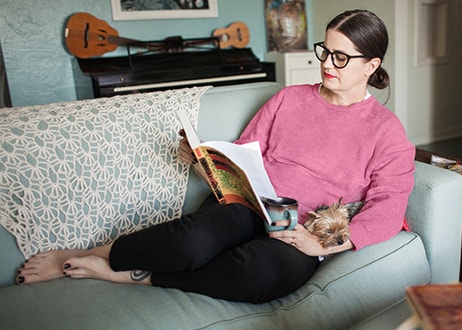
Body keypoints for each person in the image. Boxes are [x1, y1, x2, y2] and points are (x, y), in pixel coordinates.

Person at [16, 9, 415, 304]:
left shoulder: (386, 132)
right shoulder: (289, 99)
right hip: (245, 205)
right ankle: (88, 254)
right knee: (191, 240)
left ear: (372, 65)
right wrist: (206, 161)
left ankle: (135, 277)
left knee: (258, 274)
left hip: (300, 230)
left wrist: (322, 245)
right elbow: (246, 156)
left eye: (341, 57)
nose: (327, 64)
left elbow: (388, 207)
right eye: (324, 51)